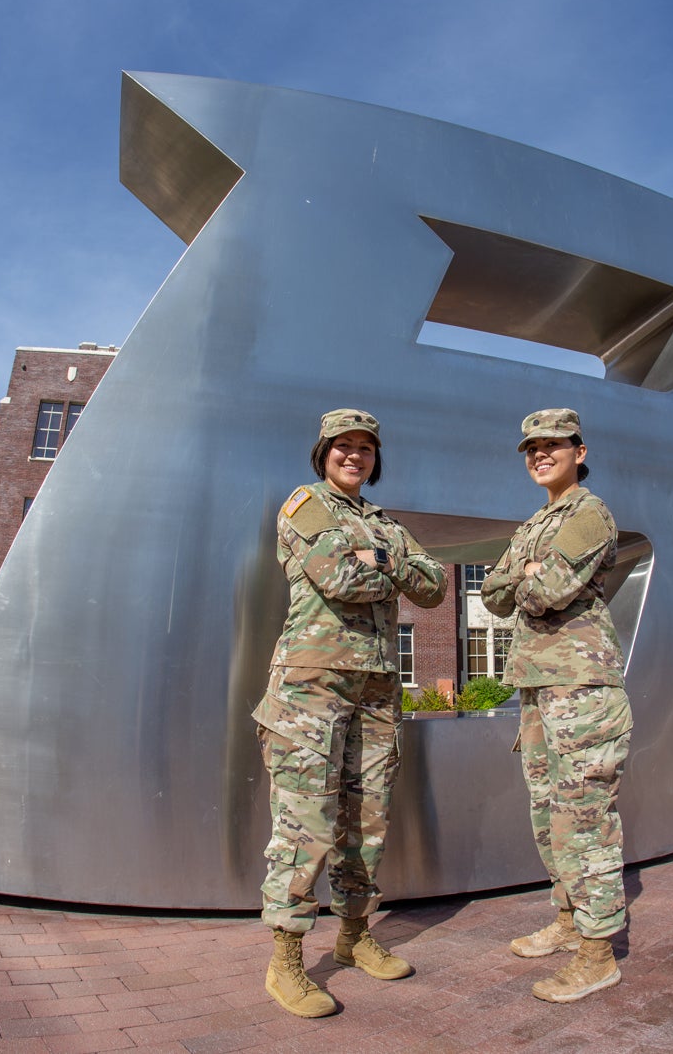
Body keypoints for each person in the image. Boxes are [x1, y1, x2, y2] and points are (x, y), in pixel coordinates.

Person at [254, 408, 448, 1018]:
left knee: (366, 821)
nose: (354, 456)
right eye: (343, 446)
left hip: (376, 690)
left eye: (365, 448)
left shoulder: (383, 523)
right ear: (323, 452)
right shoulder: (302, 505)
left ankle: (354, 936)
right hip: (312, 687)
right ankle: (285, 960)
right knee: (305, 822)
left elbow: (436, 586)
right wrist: (393, 568)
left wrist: (378, 564)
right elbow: (337, 578)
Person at [481, 407, 634, 1003]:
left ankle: (598, 955)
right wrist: (529, 568)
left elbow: (548, 592)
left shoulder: (589, 513)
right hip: (540, 689)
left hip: (581, 687)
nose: (539, 454)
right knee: (548, 816)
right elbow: (495, 595)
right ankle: (570, 922)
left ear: (579, 450)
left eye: (552, 445)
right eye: (531, 448)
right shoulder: (532, 526)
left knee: (584, 817)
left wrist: (527, 576)